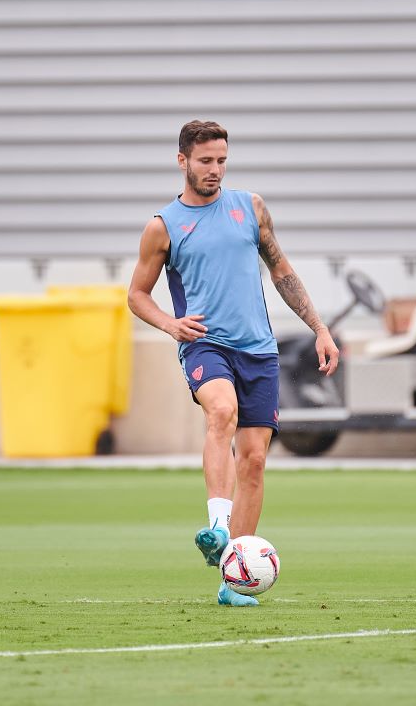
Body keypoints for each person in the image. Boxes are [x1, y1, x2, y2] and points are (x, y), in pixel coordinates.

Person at [127, 120, 339, 606]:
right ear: (182, 161)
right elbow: (137, 295)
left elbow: (281, 269)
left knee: (256, 462)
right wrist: (169, 324)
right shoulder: (163, 226)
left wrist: (320, 329)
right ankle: (218, 529)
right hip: (205, 344)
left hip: (259, 350)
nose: (215, 170)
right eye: (205, 161)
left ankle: (232, 580)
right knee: (221, 412)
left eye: (222, 160)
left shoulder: (251, 207)